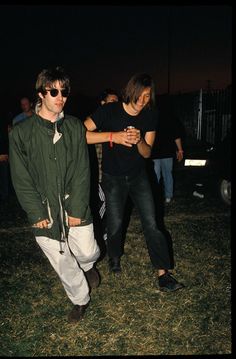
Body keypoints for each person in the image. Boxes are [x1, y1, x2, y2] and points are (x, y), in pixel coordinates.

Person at [9, 66, 101, 323]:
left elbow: (83, 169)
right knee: (62, 262)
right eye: (53, 91)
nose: (60, 96)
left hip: (74, 204)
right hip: (44, 210)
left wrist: (77, 208)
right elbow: (21, 177)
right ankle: (80, 300)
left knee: (87, 251)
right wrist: (35, 211)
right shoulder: (20, 134)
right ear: (41, 93)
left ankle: (88, 266)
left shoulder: (73, 127)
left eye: (64, 91)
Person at [84, 73, 184, 292]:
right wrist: (114, 136)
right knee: (116, 222)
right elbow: (81, 133)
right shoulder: (109, 111)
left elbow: (147, 153)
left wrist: (138, 140)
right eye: (139, 95)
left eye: (148, 96)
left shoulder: (150, 115)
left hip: (138, 177)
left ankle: (163, 273)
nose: (142, 100)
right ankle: (115, 256)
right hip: (113, 177)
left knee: (152, 223)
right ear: (130, 91)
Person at [151, 97, 184, 204]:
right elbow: (176, 136)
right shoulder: (172, 118)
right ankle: (168, 196)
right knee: (167, 175)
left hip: (155, 153)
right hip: (167, 152)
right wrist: (180, 150)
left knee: (156, 176)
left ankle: (155, 195)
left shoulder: (152, 116)